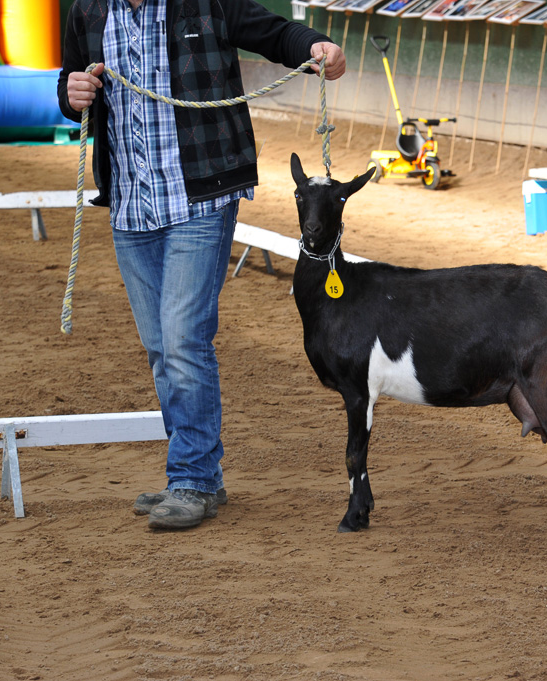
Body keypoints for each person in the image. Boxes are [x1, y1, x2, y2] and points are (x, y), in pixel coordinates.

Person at [57, 0, 345, 530]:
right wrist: (70, 94)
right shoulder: (85, 10)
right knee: (160, 346)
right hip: (129, 207)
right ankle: (203, 478)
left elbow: (273, 32)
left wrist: (315, 47)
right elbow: (72, 84)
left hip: (202, 201)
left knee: (183, 337)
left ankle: (188, 478)